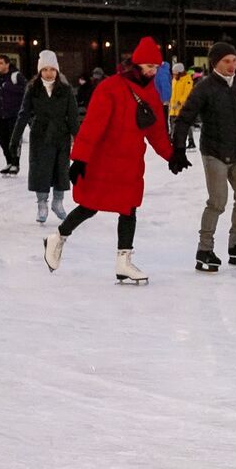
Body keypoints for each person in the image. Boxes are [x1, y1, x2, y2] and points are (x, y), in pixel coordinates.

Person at [42, 37, 180, 284]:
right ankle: (58, 237)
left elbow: (156, 131)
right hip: (103, 160)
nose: (152, 71)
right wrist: (80, 159)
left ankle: (123, 263)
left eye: (156, 67)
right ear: (136, 63)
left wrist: (171, 156)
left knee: (129, 209)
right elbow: (93, 125)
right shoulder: (110, 87)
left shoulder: (151, 94)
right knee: (90, 206)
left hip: (130, 163)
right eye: (149, 65)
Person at [174, 41, 236, 273]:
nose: (232, 65)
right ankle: (204, 249)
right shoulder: (205, 87)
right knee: (217, 202)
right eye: (226, 61)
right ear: (215, 63)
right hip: (214, 152)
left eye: (234, 60)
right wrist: (179, 148)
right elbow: (185, 117)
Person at [11, 49, 78, 223]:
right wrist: (15, 138)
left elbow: (72, 116)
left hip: (60, 136)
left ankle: (58, 202)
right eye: (45, 69)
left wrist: (78, 138)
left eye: (52, 69)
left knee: (60, 170)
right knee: (41, 171)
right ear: (40, 70)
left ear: (57, 70)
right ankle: (42, 204)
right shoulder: (33, 89)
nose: (49, 73)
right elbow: (23, 114)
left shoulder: (65, 90)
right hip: (40, 136)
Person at [0, 53, 27, 176]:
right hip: (1, 114)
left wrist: (9, 87)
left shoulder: (16, 76)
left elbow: (26, 90)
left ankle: (15, 163)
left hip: (14, 114)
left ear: (7, 64)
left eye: (1, 63)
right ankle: (8, 162)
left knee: (14, 139)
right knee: (2, 139)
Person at [169, 62, 195, 149]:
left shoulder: (187, 80)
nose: (174, 75)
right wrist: (171, 103)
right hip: (174, 107)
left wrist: (179, 102)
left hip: (182, 107)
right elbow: (173, 93)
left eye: (175, 73)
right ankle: (174, 140)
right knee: (173, 124)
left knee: (185, 124)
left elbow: (187, 93)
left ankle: (191, 140)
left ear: (180, 72)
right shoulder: (174, 80)